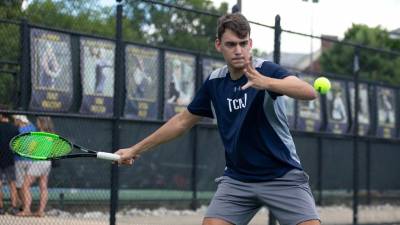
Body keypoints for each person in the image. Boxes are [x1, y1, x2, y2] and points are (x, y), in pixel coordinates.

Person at [116, 13, 320, 225]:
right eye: (231, 44)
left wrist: (267, 83)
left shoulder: (265, 70)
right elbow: (181, 122)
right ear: (218, 45)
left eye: (243, 43)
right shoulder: (215, 82)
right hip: (238, 179)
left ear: (250, 43)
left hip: (282, 175)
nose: (239, 50)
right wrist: (134, 149)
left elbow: (308, 92)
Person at [17, 117, 54, 217]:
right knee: (43, 187)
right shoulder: (51, 136)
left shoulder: (38, 136)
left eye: (38, 121)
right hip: (47, 163)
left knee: (25, 186)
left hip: (38, 162)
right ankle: (41, 211)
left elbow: (30, 150)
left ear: (41, 123)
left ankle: (27, 210)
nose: (37, 123)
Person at [12, 115, 37, 217]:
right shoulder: (33, 128)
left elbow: (15, 147)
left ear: (19, 120)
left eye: (15, 120)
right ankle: (25, 207)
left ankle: (24, 207)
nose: (14, 121)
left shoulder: (18, 130)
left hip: (20, 160)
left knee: (20, 185)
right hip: (31, 160)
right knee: (25, 186)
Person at [0, 114, 20, 215]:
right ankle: (14, 207)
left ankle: (1, 207)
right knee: (12, 184)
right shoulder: (14, 128)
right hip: (10, 158)